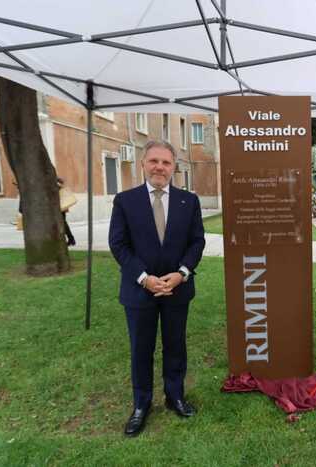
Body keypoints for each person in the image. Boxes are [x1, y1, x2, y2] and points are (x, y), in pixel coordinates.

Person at [109, 140, 205, 437]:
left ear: (174, 167)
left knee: (175, 344)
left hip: (177, 288)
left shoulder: (188, 201)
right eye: (154, 161)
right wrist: (145, 279)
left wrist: (181, 273)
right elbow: (119, 244)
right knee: (142, 348)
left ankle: (175, 396)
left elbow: (196, 242)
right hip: (140, 291)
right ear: (143, 164)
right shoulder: (125, 201)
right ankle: (142, 404)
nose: (159, 167)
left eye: (165, 162)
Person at [57, 177, 76, 246]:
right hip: (61, 209)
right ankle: (71, 239)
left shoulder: (58, 188)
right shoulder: (59, 187)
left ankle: (71, 239)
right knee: (64, 224)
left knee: (63, 224)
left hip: (60, 209)